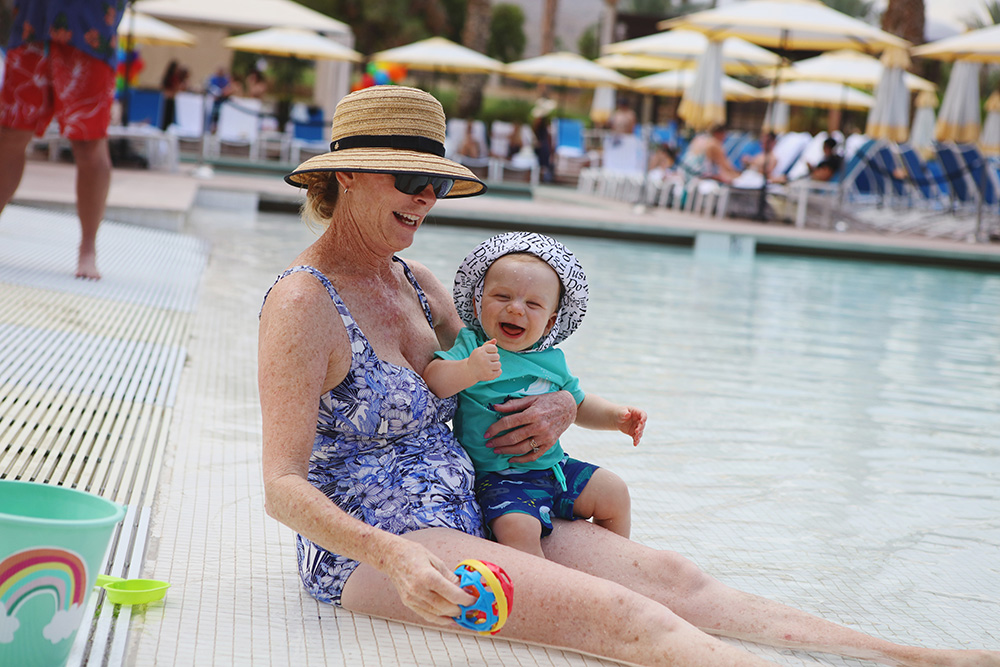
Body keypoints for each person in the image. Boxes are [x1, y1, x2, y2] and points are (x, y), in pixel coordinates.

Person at [258, 85, 1000, 667]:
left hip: (478, 500)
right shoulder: (303, 302)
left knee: (676, 579)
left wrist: (554, 407)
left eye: (438, 183)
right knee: (625, 619)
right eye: (411, 177)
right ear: (346, 174)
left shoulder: (414, 281)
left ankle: (923, 655)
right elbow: (282, 485)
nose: (426, 198)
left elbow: (504, 367)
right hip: (381, 546)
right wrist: (393, 553)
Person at [422, 232, 646, 557]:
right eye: (502, 296)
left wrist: (616, 418)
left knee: (615, 492)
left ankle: (617, 561)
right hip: (500, 478)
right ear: (477, 302)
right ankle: (542, 587)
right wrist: (469, 370)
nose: (515, 309)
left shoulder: (551, 359)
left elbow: (579, 403)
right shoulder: (472, 347)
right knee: (517, 529)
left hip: (554, 469)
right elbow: (434, 380)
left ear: (550, 321)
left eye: (533, 304)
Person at [0, 0, 127, 280]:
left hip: (90, 27)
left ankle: (88, 248)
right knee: (10, 132)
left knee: (89, 140)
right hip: (32, 23)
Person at [159, 60, 188, 131]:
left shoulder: (176, 77)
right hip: (168, 98)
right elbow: (167, 87)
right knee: (166, 117)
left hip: (173, 98)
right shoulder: (170, 77)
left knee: (171, 118)